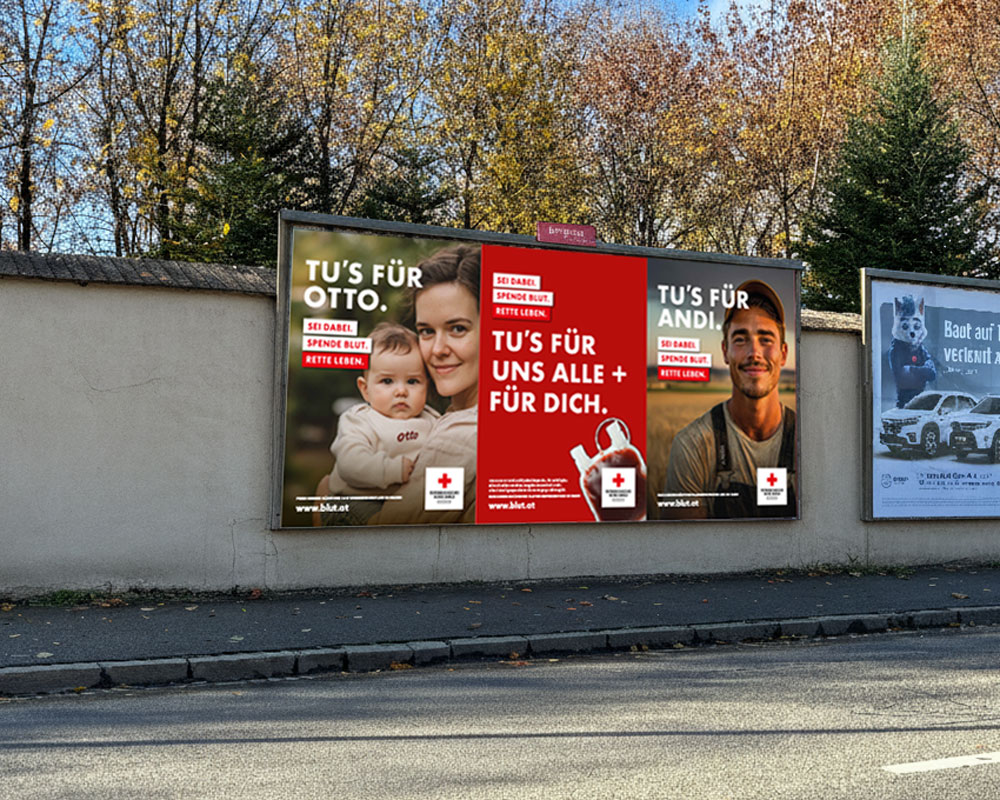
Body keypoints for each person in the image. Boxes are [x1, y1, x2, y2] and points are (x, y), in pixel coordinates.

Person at [365, 244, 480, 525]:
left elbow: (386, 535)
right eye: (426, 331)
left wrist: (322, 503)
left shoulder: (462, 433)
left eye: (458, 328)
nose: (437, 349)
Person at [664, 279, 796, 518]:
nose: (754, 354)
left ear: (783, 353)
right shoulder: (693, 445)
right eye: (740, 339)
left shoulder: (806, 443)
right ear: (725, 350)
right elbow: (685, 547)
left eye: (766, 339)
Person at [322, 322, 440, 523]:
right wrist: (392, 469)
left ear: (427, 387)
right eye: (387, 381)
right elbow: (351, 463)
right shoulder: (360, 420)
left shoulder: (432, 420)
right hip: (356, 499)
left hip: (401, 501)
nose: (401, 391)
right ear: (365, 388)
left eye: (412, 381)